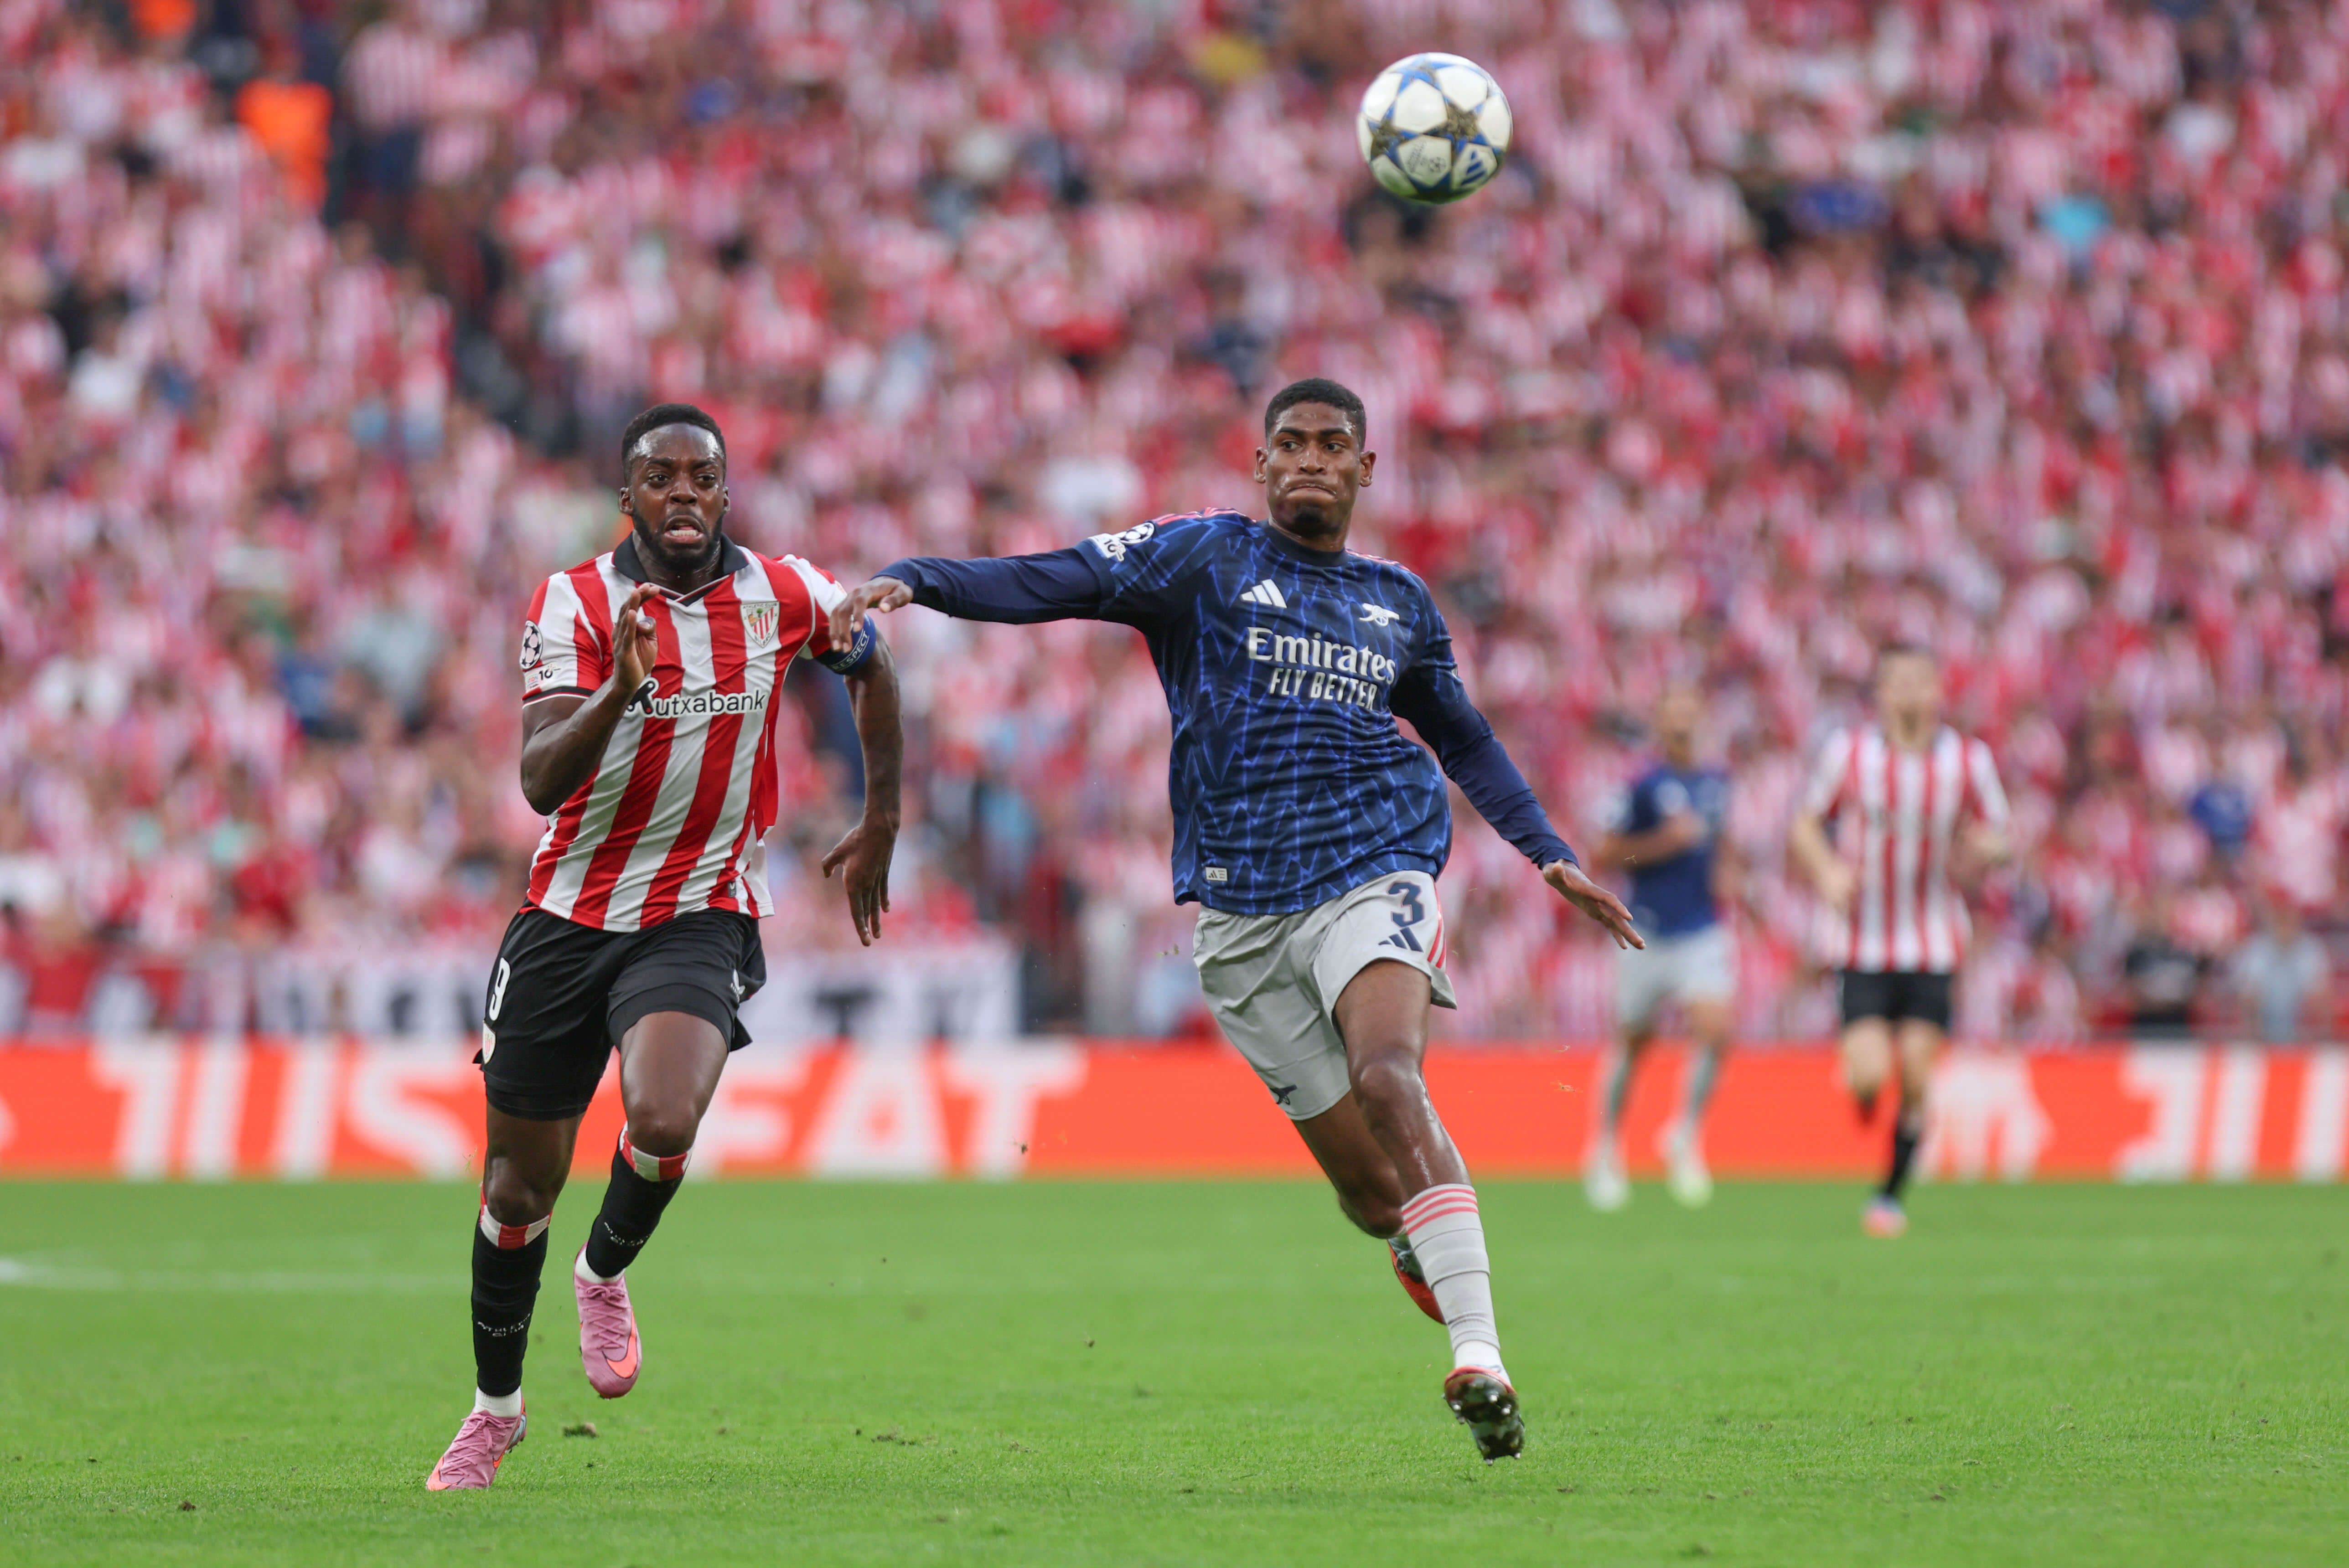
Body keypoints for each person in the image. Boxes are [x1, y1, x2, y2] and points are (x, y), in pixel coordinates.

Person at [828, 378, 1640, 1462]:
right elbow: (1053, 579)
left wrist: (1549, 852)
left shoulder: (1399, 600)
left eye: (1333, 444)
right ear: (1261, 466)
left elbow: (1464, 736)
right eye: (1290, 444)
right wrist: (917, 581)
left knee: (1393, 1076)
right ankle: (1415, 1241)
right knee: (1366, 1193)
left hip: (1375, 870)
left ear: (1366, 470)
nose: (1310, 459)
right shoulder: (1200, 558)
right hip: (1244, 918)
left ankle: (1482, 1353)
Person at [426, 405, 902, 1490]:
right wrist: (619, 692)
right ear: (627, 498)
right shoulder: (575, 601)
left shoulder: (786, 592)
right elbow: (541, 779)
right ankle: (497, 1410)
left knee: (664, 1114)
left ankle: (603, 1271)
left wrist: (883, 819)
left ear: (725, 495)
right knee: (514, 1191)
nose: (683, 494)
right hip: (566, 916)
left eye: (702, 477)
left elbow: (872, 666)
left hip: (700, 906)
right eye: (660, 477)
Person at [1788, 646, 2008, 1239]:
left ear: (1940, 691)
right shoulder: (1851, 754)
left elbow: (2000, 832)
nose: (1910, 693)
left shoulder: (1968, 760)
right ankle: (1867, 1094)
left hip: (1933, 943)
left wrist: (1989, 848)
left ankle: (1889, 1195)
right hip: (1862, 942)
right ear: (1880, 694)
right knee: (1867, 1077)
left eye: (1921, 682)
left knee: (1915, 1074)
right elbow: (1806, 823)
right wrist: (1829, 871)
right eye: (1898, 683)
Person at [1585, 684, 1738, 1211]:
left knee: (1716, 1028)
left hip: (1701, 927)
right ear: (1660, 719)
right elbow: (1603, 852)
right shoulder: (1640, 785)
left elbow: (1716, 846)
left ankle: (1685, 1134)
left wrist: (1726, 875)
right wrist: (1662, 845)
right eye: (1672, 709)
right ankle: (1605, 1146)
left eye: (1690, 709)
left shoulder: (1717, 783)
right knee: (1633, 1042)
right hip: (1646, 929)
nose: (1682, 720)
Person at [2230, 893, 2331, 1045]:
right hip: (2264, 1026)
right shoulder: (2256, 948)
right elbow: (2249, 994)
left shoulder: (2311, 950)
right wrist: (2256, 1035)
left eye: (2288, 921)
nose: (2285, 928)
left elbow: (2318, 994)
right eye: (2281, 921)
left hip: (2299, 1025)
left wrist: (2310, 1033)